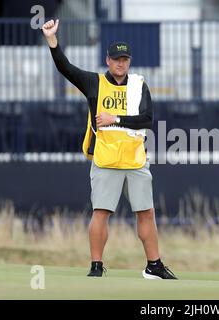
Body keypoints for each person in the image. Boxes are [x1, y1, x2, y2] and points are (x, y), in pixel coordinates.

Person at [42, 19, 177, 279]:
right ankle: (96, 265)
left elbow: (147, 120)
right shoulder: (94, 83)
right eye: (116, 59)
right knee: (101, 212)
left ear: (129, 61)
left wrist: (114, 118)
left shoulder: (139, 85)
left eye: (124, 59)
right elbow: (65, 68)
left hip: (135, 160)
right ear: (108, 60)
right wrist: (52, 40)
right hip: (106, 160)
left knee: (146, 213)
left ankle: (154, 265)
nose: (120, 63)